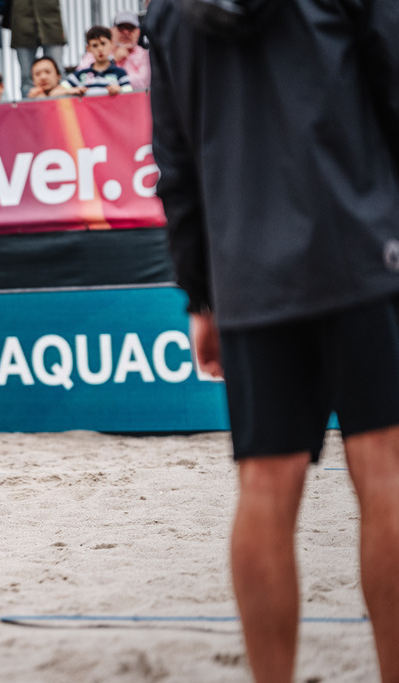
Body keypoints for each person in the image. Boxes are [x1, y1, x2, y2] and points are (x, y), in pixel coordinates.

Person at [147, 1, 399, 681]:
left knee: (264, 484)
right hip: (365, 246)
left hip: (247, 270)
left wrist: (201, 294)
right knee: (386, 473)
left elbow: (174, 163)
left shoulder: (167, 9)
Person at [4, 0, 67, 98]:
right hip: (21, 23)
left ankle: (63, 106)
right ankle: (30, 109)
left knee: (58, 71)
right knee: (27, 76)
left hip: (51, 21)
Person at [76, 10, 149, 91]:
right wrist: (113, 60)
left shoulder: (144, 55)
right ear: (112, 31)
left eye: (130, 28)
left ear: (138, 33)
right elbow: (81, 77)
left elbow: (145, 82)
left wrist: (111, 81)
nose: (126, 32)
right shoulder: (97, 50)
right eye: (121, 28)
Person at [61, 26, 131, 97]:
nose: (100, 49)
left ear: (111, 44)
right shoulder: (81, 74)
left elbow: (131, 96)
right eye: (95, 45)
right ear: (88, 48)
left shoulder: (120, 73)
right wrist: (71, 91)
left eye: (103, 43)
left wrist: (120, 90)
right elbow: (55, 92)